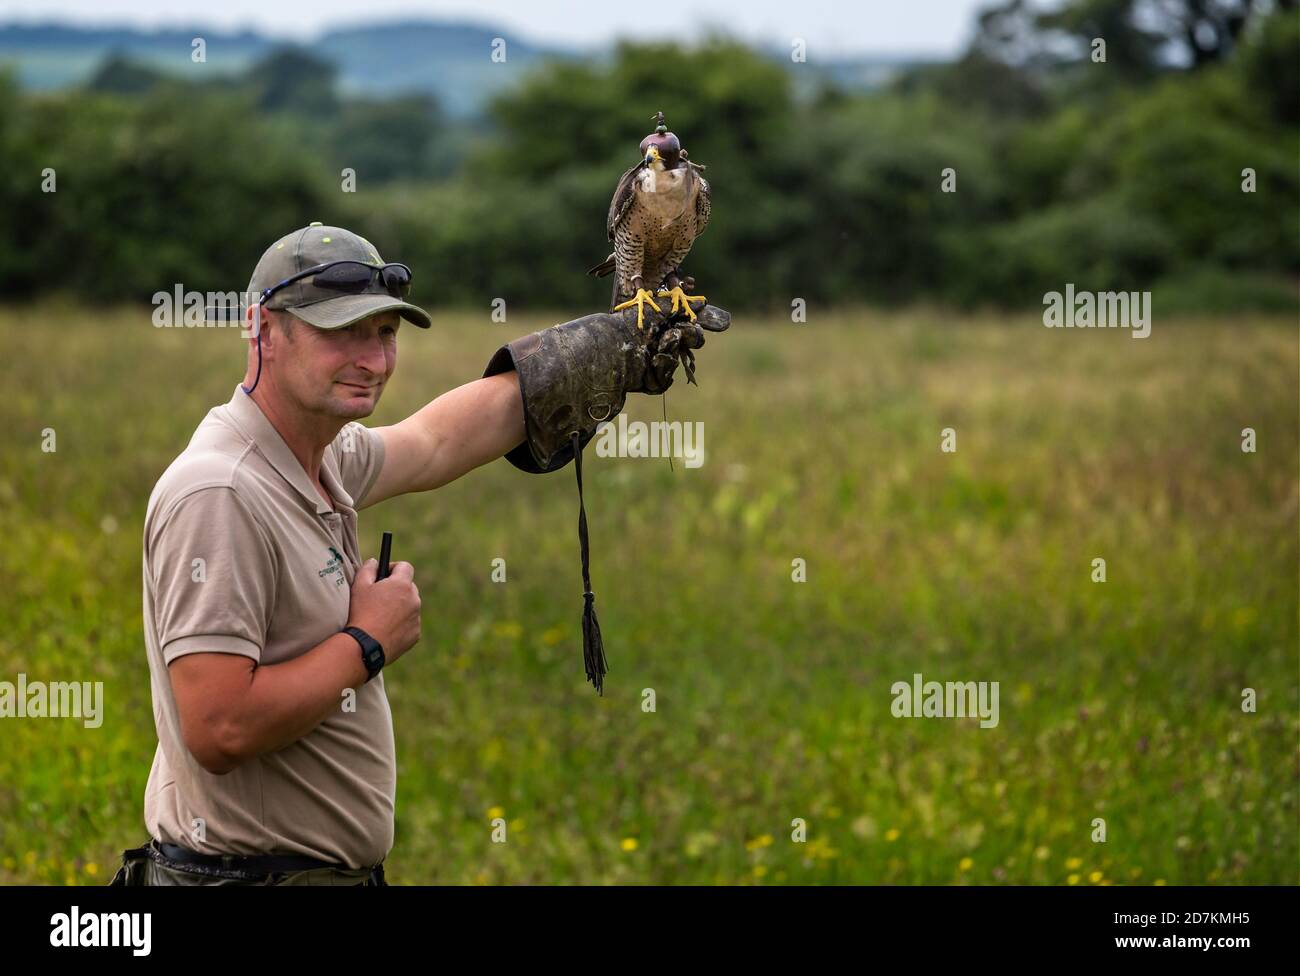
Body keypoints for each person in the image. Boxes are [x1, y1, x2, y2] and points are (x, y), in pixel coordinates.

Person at [111, 221, 719, 885]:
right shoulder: (221, 490)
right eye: (340, 332)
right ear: (261, 328)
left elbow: (434, 443)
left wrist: (607, 351)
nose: (372, 360)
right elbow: (219, 727)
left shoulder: (315, 456)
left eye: (384, 334)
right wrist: (369, 641)